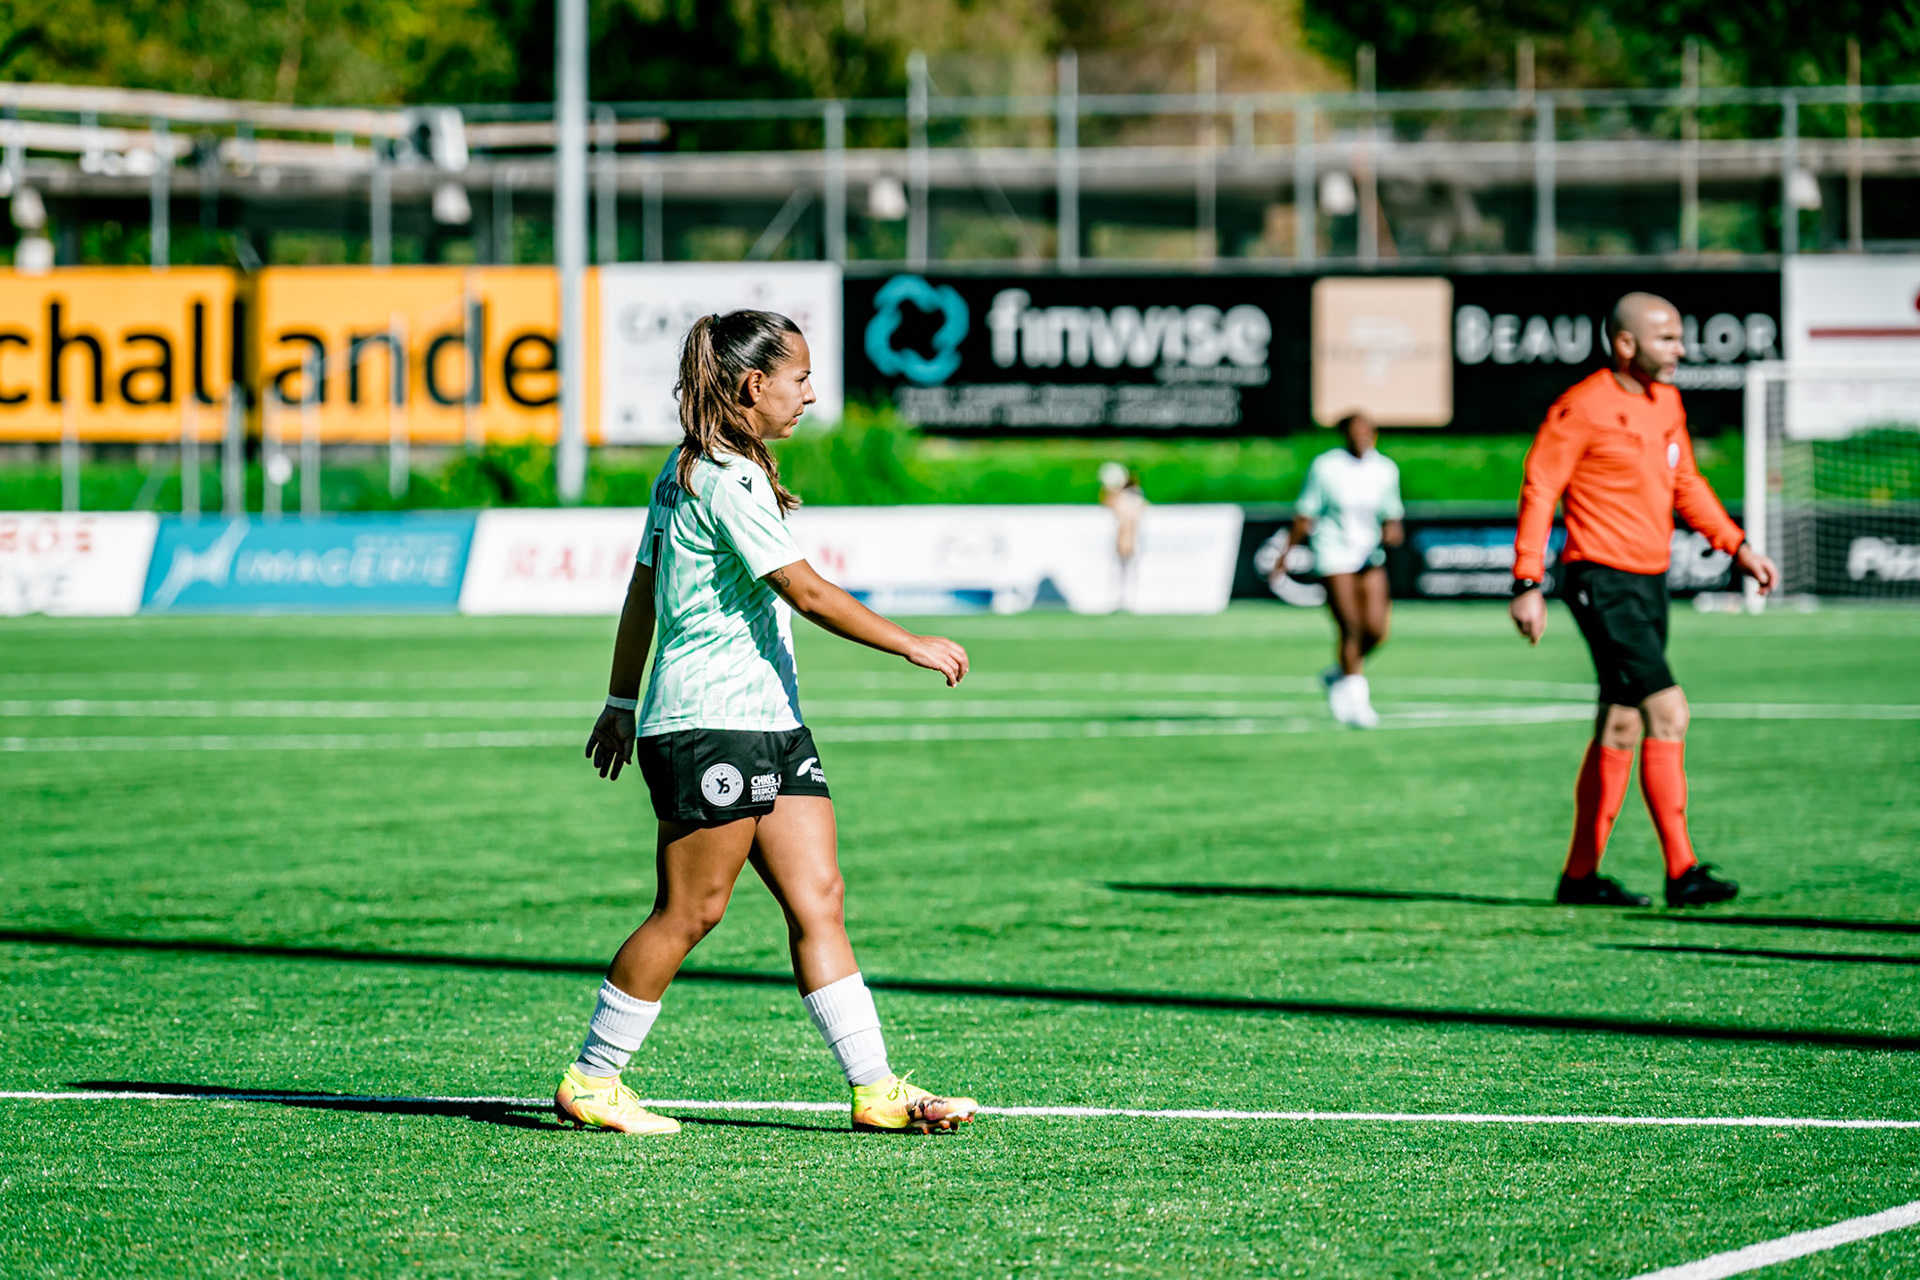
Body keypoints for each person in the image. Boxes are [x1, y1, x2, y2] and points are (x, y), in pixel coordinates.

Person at [559, 309, 979, 1137]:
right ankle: (593, 1078)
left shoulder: (695, 466)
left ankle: (875, 1090)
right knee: (691, 911)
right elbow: (806, 591)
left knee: (820, 898)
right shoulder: (722, 475)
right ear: (755, 384)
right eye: (800, 378)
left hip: (771, 722)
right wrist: (909, 643)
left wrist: (619, 702)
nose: (810, 395)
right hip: (710, 723)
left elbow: (643, 589)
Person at [1510, 292, 1779, 909]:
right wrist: (1527, 582)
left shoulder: (1666, 402)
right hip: (1599, 581)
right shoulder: (1581, 408)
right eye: (1667, 338)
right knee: (1668, 711)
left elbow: (1686, 483)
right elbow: (1540, 486)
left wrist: (1736, 546)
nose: (1681, 349)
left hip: (1648, 582)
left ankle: (1580, 879)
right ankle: (1682, 871)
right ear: (1626, 344)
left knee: (1623, 721)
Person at [1270, 412, 1404, 728]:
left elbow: (1392, 514)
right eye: (1355, 431)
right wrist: (1285, 552)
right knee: (1350, 627)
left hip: (1370, 554)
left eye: (1367, 431)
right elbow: (1306, 513)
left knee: (1376, 630)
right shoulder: (1326, 467)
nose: (1362, 436)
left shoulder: (1386, 469)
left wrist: (1392, 531)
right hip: (1333, 553)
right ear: (1345, 434)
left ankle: (1339, 673)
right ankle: (1358, 702)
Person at [1098, 461, 1147, 612]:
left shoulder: (1132, 499)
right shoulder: (1122, 498)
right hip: (1123, 541)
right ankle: (1119, 601)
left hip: (1130, 542)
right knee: (1119, 572)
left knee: (1130, 572)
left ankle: (1130, 601)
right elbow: (1106, 502)